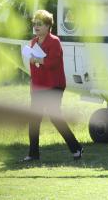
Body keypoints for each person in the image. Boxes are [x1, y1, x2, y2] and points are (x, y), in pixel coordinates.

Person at [22, 10, 83, 162]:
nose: (36, 27)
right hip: (38, 86)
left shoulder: (54, 41)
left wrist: (36, 59)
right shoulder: (33, 42)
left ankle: (76, 148)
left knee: (55, 117)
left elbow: (52, 62)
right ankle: (33, 154)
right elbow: (34, 66)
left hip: (54, 85)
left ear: (48, 26)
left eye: (40, 24)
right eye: (34, 24)